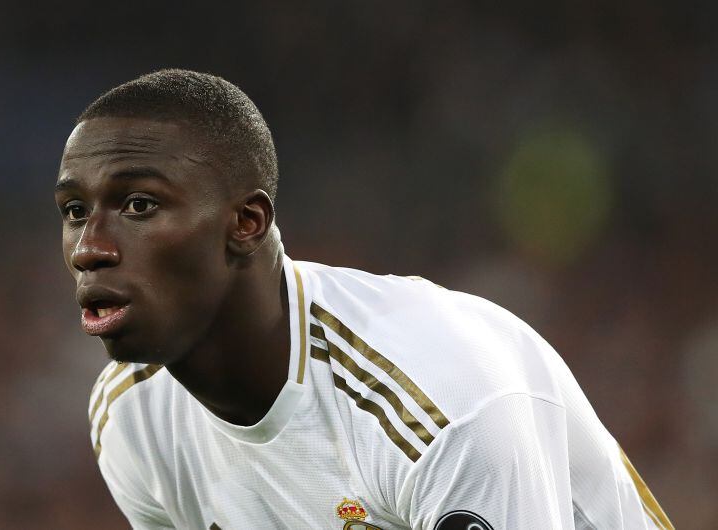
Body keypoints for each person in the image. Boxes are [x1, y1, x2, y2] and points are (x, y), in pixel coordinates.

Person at [54, 69, 673, 530]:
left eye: (139, 205)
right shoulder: (131, 418)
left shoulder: (444, 402)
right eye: (75, 211)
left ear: (245, 224)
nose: (89, 248)